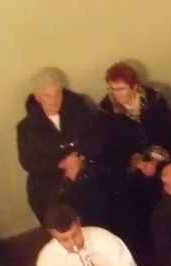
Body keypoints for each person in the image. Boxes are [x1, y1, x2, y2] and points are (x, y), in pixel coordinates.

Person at [98, 62, 171, 260]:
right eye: (112, 88)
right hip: (131, 171)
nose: (115, 93)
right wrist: (138, 163)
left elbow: (170, 131)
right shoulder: (107, 113)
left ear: (134, 87)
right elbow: (110, 147)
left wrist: (155, 159)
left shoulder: (154, 100)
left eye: (120, 88)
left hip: (160, 159)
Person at [16, 70, 109, 228]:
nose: (54, 101)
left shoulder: (80, 109)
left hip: (87, 169)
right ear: (38, 97)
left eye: (57, 94)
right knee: (59, 215)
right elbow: (28, 162)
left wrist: (80, 159)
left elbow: (97, 138)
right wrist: (62, 165)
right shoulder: (26, 127)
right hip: (53, 181)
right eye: (48, 96)